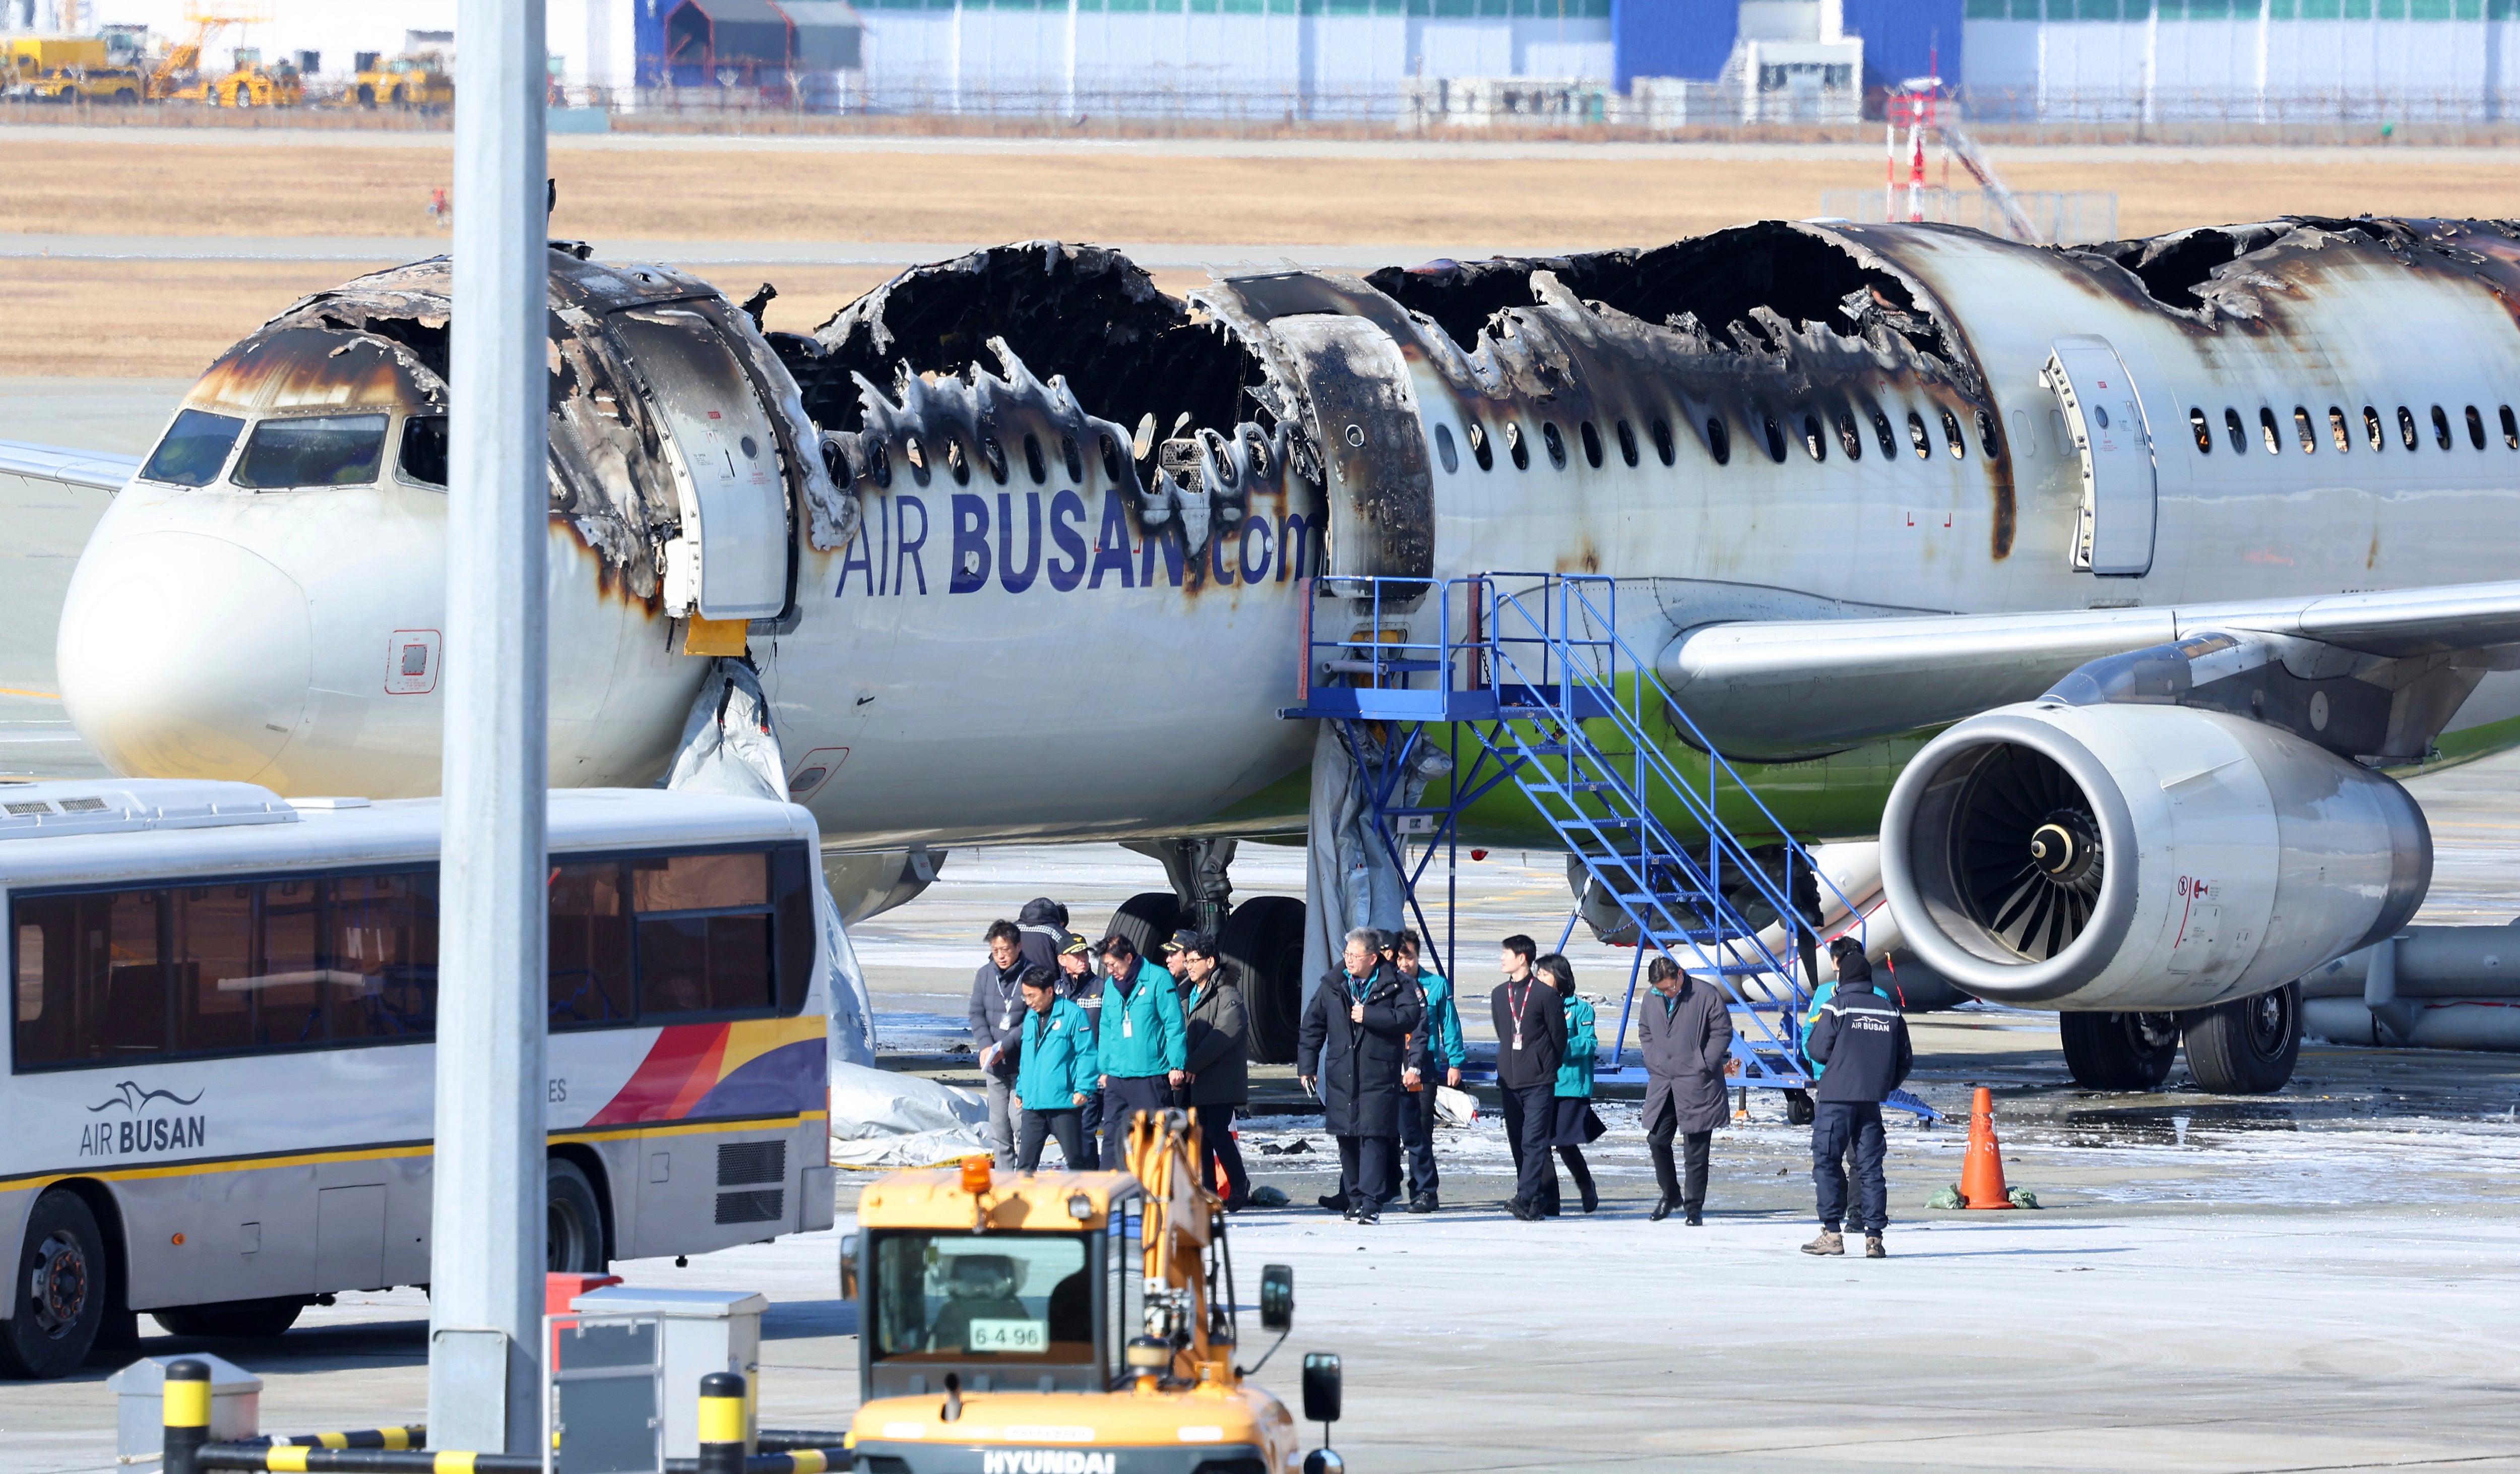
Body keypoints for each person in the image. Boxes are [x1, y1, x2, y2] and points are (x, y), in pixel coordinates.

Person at [1297, 926, 1423, 1224]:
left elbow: (1410, 1016)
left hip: (1378, 1073)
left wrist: (1371, 1016)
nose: (1349, 960)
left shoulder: (1397, 983)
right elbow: (1312, 1025)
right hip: (1342, 1072)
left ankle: (1370, 1202)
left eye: (1355, 955)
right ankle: (1353, 1198)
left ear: (1373, 957)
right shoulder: (1334, 984)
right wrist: (1307, 1066)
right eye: (1347, 954)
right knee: (1347, 1137)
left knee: (1374, 1138)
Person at [1801, 953, 1915, 1259]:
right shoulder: (1890, 1010)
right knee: (1869, 1168)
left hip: (1836, 1098)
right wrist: (1883, 1084)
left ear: (1844, 978)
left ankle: (1832, 1234)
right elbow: (1905, 1060)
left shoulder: (1837, 1006)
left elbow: (1817, 1049)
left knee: (1827, 1161)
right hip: (1870, 1102)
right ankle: (1874, 1238)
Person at [1637, 954, 1733, 1224]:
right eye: (1660, 989)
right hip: (1663, 1081)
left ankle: (1694, 1207)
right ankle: (1671, 1194)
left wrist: (1703, 1062)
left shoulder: (1705, 994)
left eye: (1670, 987)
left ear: (1680, 975)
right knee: (1657, 1140)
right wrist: (1653, 1060)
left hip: (1697, 1081)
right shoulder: (1651, 998)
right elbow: (1645, 1031)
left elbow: (1722, 1031)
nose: (1666, 993)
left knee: (1696, 1149)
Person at [1489, 934, 1565, 1221]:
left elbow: (1559, 1038)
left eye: (1505, 953)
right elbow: (1503, 1032)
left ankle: (1524, 1197)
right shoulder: (1499, 995)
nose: (1501, 958)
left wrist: (1543, 1065)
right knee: (1518, 1141)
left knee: (1534, 1142)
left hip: (1538, 1081)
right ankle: (1535, 1201)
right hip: (1510, 1081)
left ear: (1522, 958)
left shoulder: (1546, 995)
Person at [1094, 934, 1186, 1168]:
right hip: (1117, 1076)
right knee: (1113, 1136)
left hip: (1150, 1074)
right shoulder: (1110, 988)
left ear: (1128, 957)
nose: (1110, 970)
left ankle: (1155, 1190)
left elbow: (1174, 1024)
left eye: (1113, 964)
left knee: (1151, 1138)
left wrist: (1177, 1065)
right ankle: (1109, 1191)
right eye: (1106, 966)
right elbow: (1106, 1028)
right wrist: (1104, 1068)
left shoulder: (1158, 979)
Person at [1388, 930, 1462, 1213]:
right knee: (1390, 1131)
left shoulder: (1436, 986)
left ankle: (1423, 1190)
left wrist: (1455, 1062)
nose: (1404, 964)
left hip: (1423, 1067)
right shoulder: (1388, 984)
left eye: (1409, 958)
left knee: (1419, 1131)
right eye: (1399, 958)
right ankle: (1388, 1185)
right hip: (1394, 1067)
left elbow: (1450, 1025)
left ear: (1418, 956)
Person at [1177, 934, 1251, 1209]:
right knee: (1202, 1137)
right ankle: (1208, 1192)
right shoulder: (1188, 992)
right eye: (1187, 961)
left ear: (1211, 962)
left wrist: (1192, 1064)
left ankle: (1239, 1182)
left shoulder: (1227, 993)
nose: (1189, 966)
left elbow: (1224, 1034)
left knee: (1218, 1133)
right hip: (1197, 1079)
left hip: (1219, 1079)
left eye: (1194, 960)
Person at [1012, 965, 1097, 1172]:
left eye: (1032, 996)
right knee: (1024, 1165)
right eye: (1025, 997)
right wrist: (1021, 1089)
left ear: (1049, 992)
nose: (1029, 1002)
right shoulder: (1031, 1018)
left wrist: (1084, 1089)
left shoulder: (1073, 1015)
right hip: (1034, 1104)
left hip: (1064, 1104)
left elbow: (1087, 1053)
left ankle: (1085, 1201)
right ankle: (1021, 1202)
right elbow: (1027, 1058)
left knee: (1077, 1161)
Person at [1537, 953, 1599, 1216]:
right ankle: (1551, 1200)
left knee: (1563, 1142)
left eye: (1544, 974)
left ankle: (1585, 1184)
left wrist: (1559, 1046)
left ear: (1559, 977)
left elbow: (1589, 1043)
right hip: (1542, 1083)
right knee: (1540, 1142)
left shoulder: (1581, 1009)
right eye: (1537, 974)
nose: (1539, 978)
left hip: (1570, 1085)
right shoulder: (1536, 1005)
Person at [967, 919, 1030, 1168]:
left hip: (1021, 1063)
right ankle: (1005, 1180)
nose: (1001, 956)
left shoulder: (1031, 974)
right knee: (999, 1127)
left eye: (1006, 950)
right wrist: (986, 1045)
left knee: (1020, 1121)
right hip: (993, 1064)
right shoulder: (985, 975)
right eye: (996, 951)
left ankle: (1026, 1174)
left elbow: (1033, 1020)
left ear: (1018, 947)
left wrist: (1006, 1045)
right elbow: (976, 1013)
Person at [1053, 932, 1104, 1144]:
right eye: (1077, 955)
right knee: (1066, 1136)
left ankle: (1089, 1174)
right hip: (1061, 1075)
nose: (1083, 959)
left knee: (1085, 1134)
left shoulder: (1102, 988)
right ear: (1062, 960)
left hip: (1091, 1075)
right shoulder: (1054, 990)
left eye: (1084, 954)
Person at [1016, 897, 1070, 973]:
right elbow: (1073, 967)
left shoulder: (1010, 930)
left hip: (1012, 983)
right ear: (1061, 923)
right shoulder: (1058, 934)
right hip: (1048, 983)